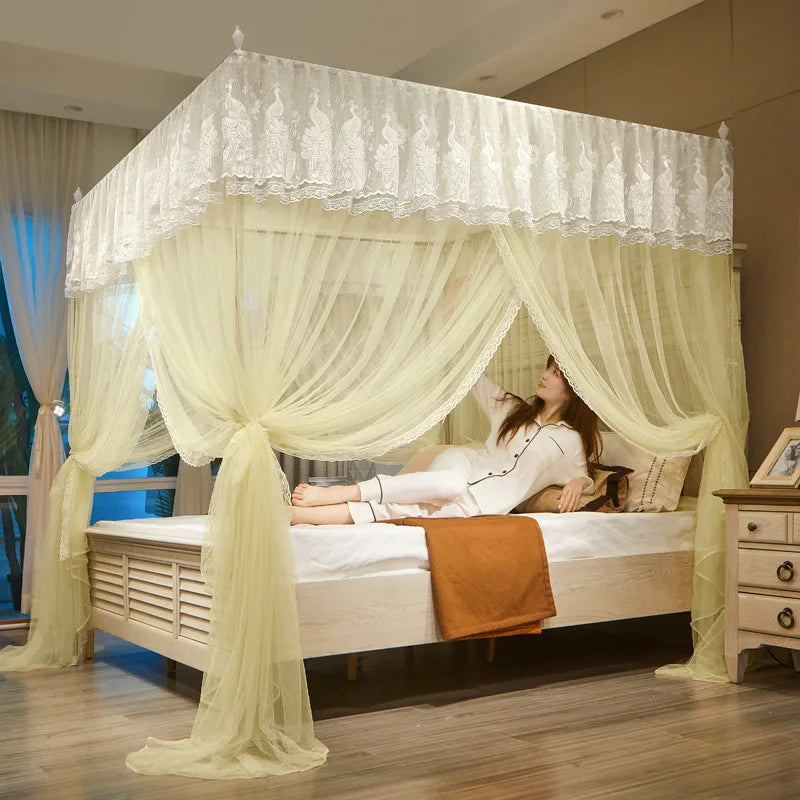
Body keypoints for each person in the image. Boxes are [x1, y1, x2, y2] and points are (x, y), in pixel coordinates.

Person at [291, 356, 601, 525]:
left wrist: (579, 482)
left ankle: (300, 516)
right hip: (460, 466)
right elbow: (474, 376)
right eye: (547, 369)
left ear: (571, 390)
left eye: (555, 373)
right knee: (449, 485)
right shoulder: (512, 409)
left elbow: (584, 477)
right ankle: (343, 491)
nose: (545, 375)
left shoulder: (569, 440)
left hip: (480, 505)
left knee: (399, 510)